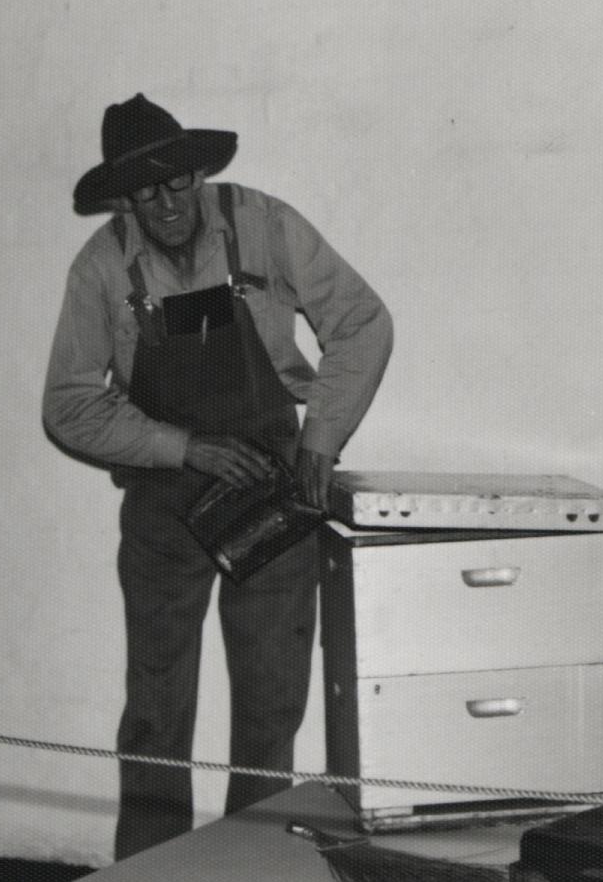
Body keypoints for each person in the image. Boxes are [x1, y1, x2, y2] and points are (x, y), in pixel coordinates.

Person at [42, 93, 393, 858]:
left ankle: (253, 867)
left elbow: (363, 323)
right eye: (141, 191)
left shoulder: (265, 226)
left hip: (271, 485)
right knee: (156, 712)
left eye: (175, 183)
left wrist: (320, 444)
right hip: (164, 506)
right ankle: (146, 869)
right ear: (121, 196)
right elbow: (67, 406)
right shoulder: (102, 266)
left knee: (272, 701)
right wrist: (181, 446)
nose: (164, 205)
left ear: (200, 171)